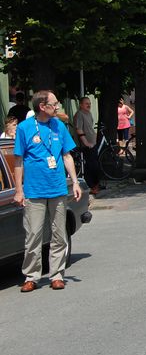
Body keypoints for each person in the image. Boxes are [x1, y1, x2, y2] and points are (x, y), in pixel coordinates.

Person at [14, 90, 82, 292]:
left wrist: (75, 182)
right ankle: (31, 276)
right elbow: (18, 161)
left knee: (59, 235)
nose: (58, 106)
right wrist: (19, 190)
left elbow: (67, 156)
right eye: (55, 103)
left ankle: (57, 275)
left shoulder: (58, 125)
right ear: (42, 106)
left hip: (57, 188)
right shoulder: (24, 128)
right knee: (33, 235)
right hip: (34, 190)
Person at [73, 96, 101, 195]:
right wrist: (86, 142)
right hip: (86, 145)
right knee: (91, 166)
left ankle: (96, 185)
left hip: (92, 143)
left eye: (89, 103)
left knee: (95, 164)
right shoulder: (79, 114)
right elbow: (79, 129)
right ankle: (92, 185)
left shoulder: (88, 113)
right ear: (81, 105)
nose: (89, 105)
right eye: (86, 103)